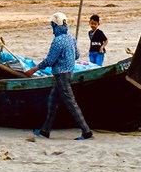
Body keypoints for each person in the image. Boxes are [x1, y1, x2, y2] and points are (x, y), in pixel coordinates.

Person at [30, 12, 94, 141]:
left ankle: (86, 132)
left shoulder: (57, 41)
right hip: (69, 73)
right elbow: (76, 55)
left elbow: (50, 60)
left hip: (61, 76)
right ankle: (45, 131)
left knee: (71, 103)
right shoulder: (71, 39)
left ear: (55, 25)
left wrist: (34, 69)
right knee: (53, 102)